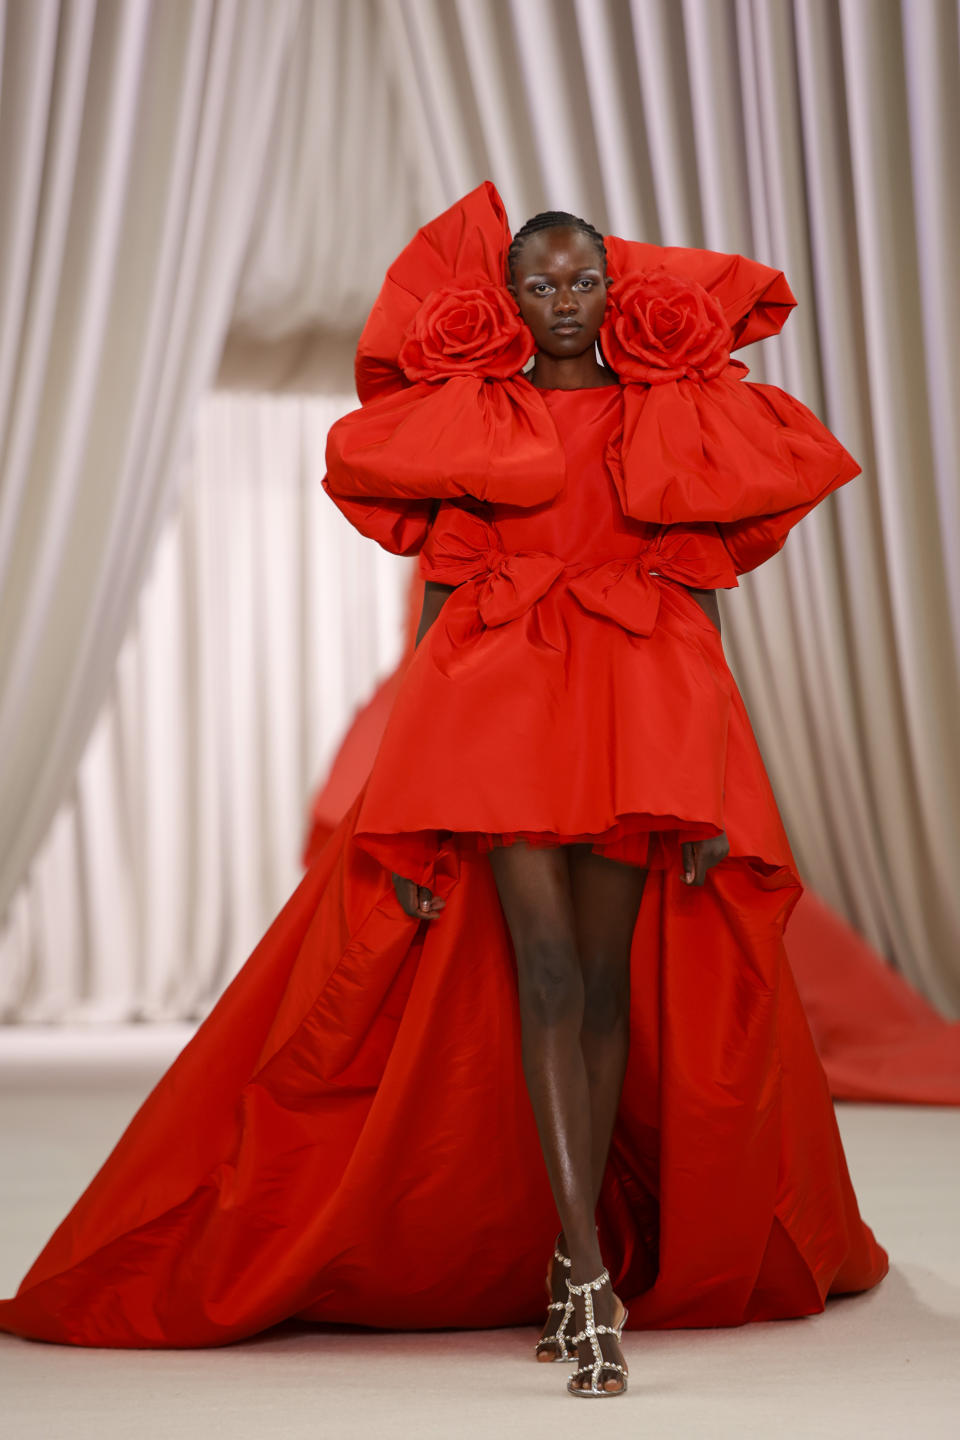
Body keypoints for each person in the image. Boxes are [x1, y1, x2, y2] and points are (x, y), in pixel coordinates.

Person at [0, 184, 887, 1398]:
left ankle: (575, 1256)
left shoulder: (669, 415)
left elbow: (698, 600)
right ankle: (583, 1268)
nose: (564, 303)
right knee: (545, 974)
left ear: (610, 294)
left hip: (635, 702)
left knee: (607, 988)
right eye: (542, 284)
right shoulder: (476, 418)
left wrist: (716, 780)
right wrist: (404, 810)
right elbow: (434, 614)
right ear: (508, 301)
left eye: (584, 283)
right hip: (502, 703)